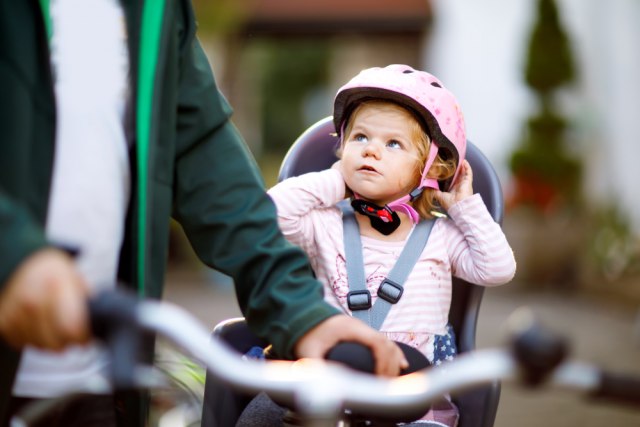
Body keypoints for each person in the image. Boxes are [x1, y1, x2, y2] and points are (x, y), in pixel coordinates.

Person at [0, 2, 407, 426]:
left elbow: (203, 154)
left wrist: (300, 311)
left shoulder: (157, 9)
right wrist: (12, 253)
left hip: (97, 379)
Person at [263, 64, 517, 425]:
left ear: (430, 170)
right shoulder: (324, 223)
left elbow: (498, 268)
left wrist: (463, 207)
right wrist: (337, 181)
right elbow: (266, 216)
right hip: (330, 396)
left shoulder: (441, 237)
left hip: (413, 402)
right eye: (360, 138)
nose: (371, 152)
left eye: (393, 143)